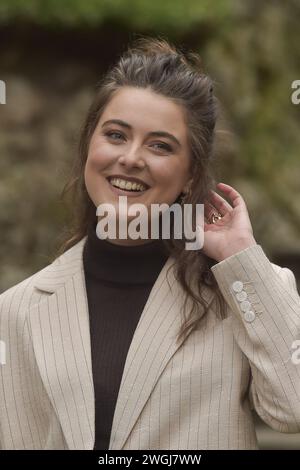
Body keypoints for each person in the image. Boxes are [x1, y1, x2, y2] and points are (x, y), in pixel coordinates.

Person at [0, 37, 299, 451]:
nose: (131, 158)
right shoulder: (16, 311)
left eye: (160, 145)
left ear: (192, 174)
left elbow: (294, 407)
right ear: (90, 145)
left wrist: (240, 257)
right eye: (116, 135)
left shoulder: (240, 294)